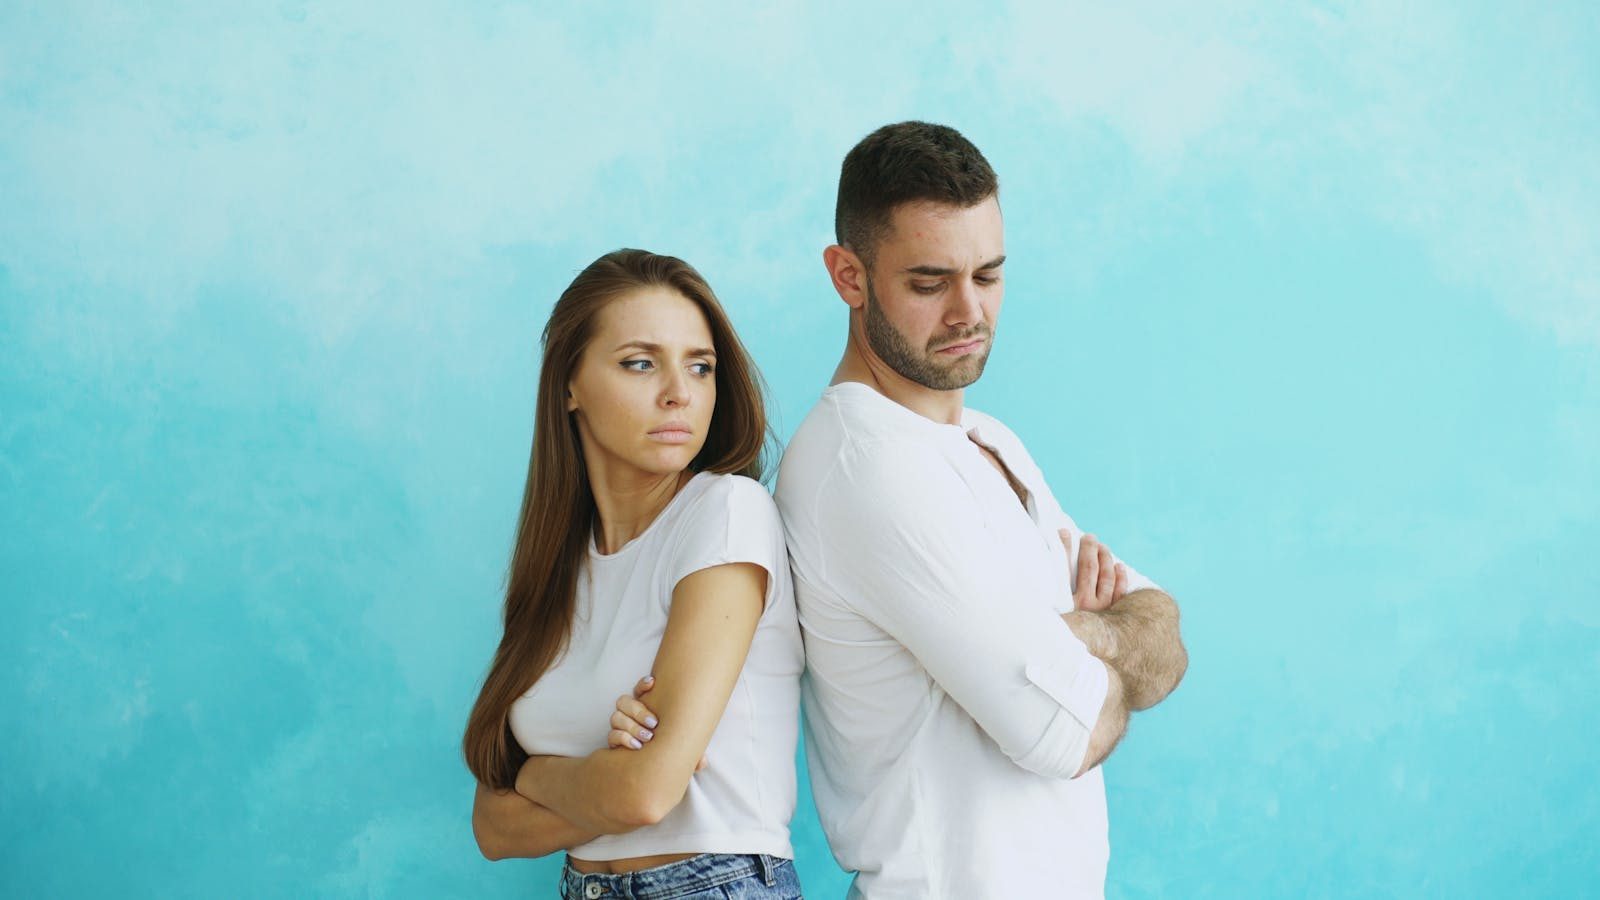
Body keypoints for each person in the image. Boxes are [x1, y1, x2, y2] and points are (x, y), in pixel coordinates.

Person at [774, 122, 1189, 898]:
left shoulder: (990, 439)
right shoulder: (865, 467)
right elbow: (1066, 733)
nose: (969, 311)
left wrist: (1084, 637)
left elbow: (1166, 639)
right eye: (929, 283)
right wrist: (1098, 641)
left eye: (989, 275)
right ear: (849, 276)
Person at [464, 249, 805, 899]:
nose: (679, 392)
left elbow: (645, 795)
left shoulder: (726, 513)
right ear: (569, 385)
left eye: (700, 366)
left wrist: (535, 775)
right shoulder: (558, 566)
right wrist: (605, 778)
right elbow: (492, 827)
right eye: (640, 363)